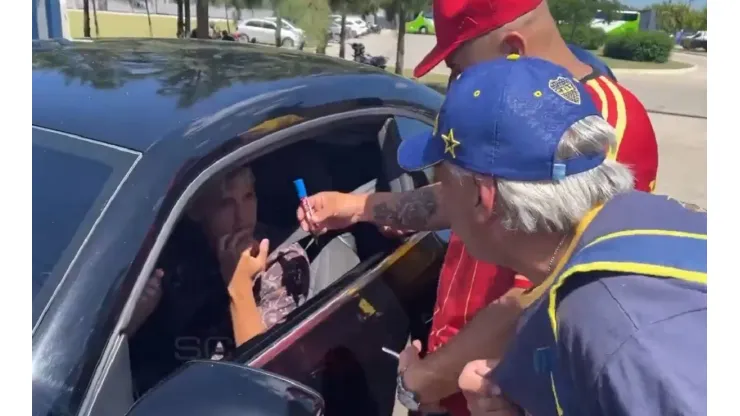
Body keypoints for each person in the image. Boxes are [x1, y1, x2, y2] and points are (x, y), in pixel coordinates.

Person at [297, 0, 658, 413]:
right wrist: (358, 206)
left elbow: (541, 296)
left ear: (513, 49)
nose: (454, 86)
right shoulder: (507, 107)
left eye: (459, 70)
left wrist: (426, 381)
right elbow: (460, 196)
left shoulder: (597, 131)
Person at [398, 56, 706, 416]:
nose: (439, 191)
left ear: (483, 198)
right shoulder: (645, 220)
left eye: (442, 176)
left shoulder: (614, 326)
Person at [129, 165, 310, 393]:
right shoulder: (173, 254)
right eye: (226, 204)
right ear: (197, 211)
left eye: (248, 196)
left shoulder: (281, 260)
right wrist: (135, 318)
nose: (242, 216)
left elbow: (265, 383)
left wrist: (238, 282)